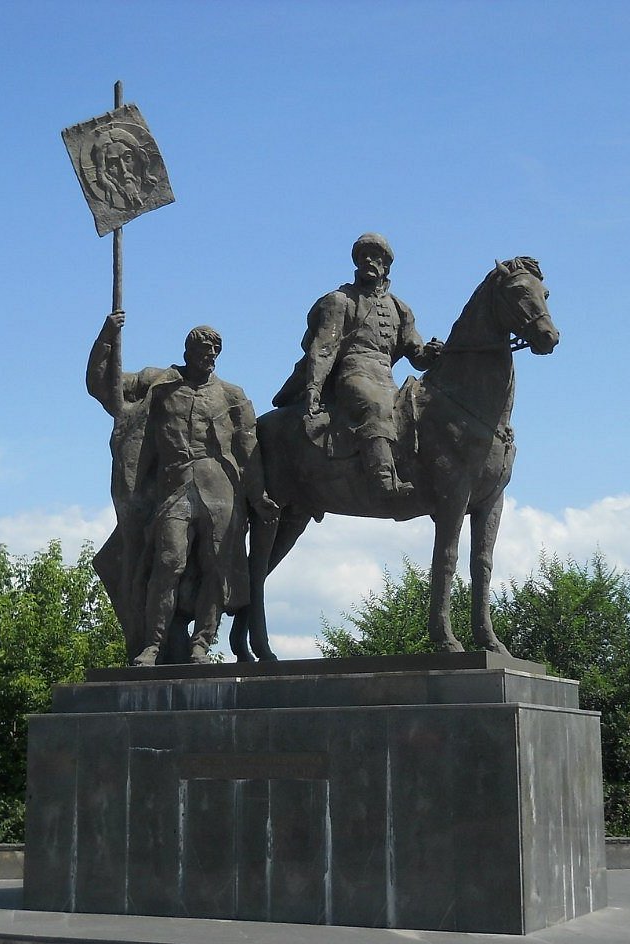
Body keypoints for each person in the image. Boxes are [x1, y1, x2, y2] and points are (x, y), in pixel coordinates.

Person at [87, 311, 276, 665]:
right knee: (168, 562)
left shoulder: (233, 396)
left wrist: (258, 495)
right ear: (188, 353)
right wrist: (107, 337)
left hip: (222, 491)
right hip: (175, 487)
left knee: (216, 568)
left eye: (214, 353)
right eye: (203, 352)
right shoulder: (159, 384)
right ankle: (153, 644)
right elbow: (105, 387)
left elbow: (249, 451)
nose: (209, 358)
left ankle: (201, 644)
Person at [273, 233, 442, 496]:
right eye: (363, 256)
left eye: (375, 257)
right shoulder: (340, 300)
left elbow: (416, 355)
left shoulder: (400, 308)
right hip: (354, 373)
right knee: (375, 406)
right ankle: (383, 478)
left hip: (387, 377)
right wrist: (313, 389)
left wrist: (431, 353)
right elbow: (323, 348)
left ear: (386, 265)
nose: (368, 260)